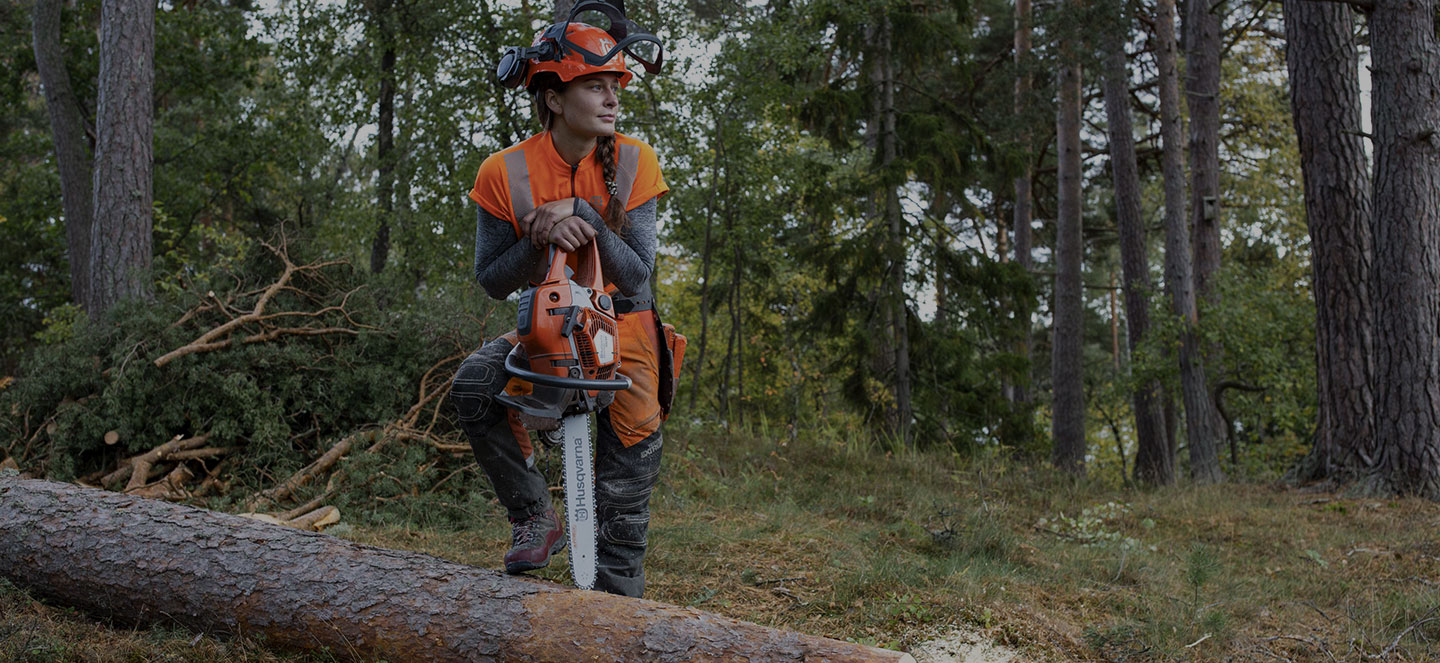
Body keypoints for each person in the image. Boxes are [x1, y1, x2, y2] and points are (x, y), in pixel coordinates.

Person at [449, 19, 670, 598]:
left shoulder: (635, 161)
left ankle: (617, 620)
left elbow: (639, 272)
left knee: (621, 515)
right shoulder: (504, 172)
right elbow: (493, 280)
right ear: (553, 97)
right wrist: (540, 240)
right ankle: (532, 515)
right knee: (476, 386)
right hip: (549, 324)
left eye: (616, 84)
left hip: (627, 333)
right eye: (596, 85)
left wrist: (584, 214)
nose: (613, 97)